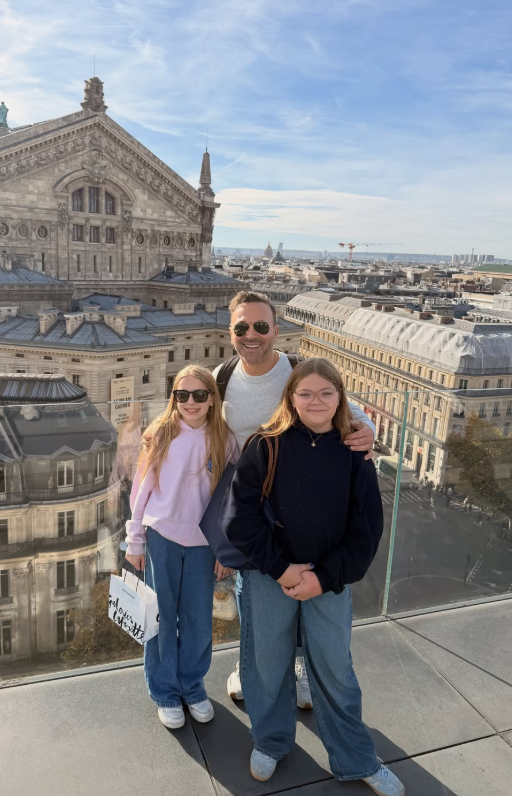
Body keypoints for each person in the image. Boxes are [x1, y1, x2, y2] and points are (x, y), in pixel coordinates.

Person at [222, 358, 405, 796]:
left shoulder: (355, 453)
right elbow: (237, 519)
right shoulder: (265, 445)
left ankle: (356, 757)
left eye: (326, 393)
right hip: (271, 576)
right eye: (305, 393)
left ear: (342, 398)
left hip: (326, 580)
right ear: (291, 398)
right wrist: (283, 569)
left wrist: (321, 578)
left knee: (335, 670)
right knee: (266, 665)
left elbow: (366, 531)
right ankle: (271, 741)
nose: (315, 401)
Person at [214, 291, 375, 706]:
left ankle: (299, 665)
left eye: (261, 326)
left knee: (303, 582)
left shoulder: (297, 371)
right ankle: (252, 664)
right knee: (252, 591)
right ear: (231, 332)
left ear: (276, 330)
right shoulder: (222, 376)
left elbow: (349, 412)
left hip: (300, 497)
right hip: (250, 496)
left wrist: (369, 432)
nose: (252, 335)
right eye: (242, 327)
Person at [125, 365, 238, 729]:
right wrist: (135, 539)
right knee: (160, 619)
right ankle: (164, 691)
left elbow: (230, 500)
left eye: (199, 395)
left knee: (198, 621)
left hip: (205, 543)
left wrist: (226, 550)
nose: (190, 402)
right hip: (162, 538)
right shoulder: (160, 434)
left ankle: (192, 686)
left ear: (212, 399)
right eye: (182, 395)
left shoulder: (225, 439)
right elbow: (141, 491)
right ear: (173, 398)